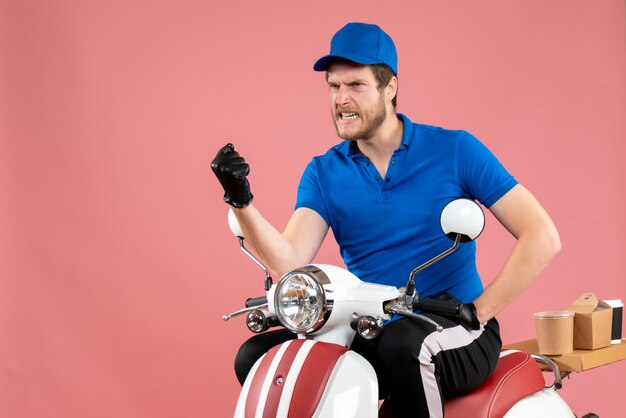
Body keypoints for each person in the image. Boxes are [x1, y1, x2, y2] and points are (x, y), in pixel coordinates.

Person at [211, 22, 560, 417]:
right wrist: (241, 201)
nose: (341, 98)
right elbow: (290, 263)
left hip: (455, 326)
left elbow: (542, 236)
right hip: (372, 324)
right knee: (257, 355)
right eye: (333, 86)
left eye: (355, 85)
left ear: (389, 87)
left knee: (404, 347)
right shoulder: (324, 172)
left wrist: (479, 311)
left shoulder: (455, 149)